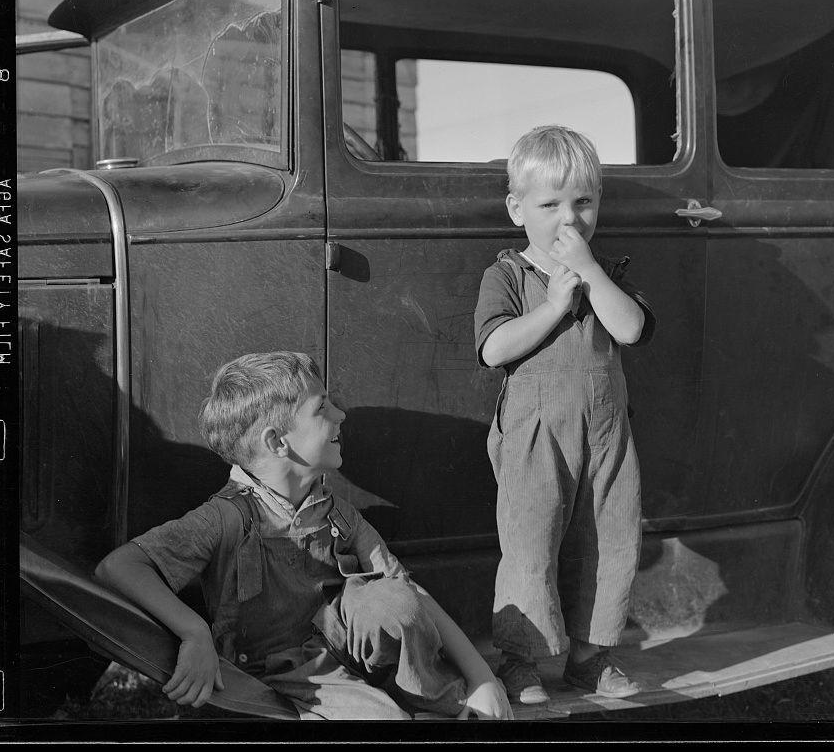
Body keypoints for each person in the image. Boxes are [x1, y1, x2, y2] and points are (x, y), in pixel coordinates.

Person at [95, 351, 513, 721]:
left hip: (335, 643)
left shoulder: (333, 511)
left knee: (394, 601)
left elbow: (405, 590)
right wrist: (194, 632)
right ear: (277, 442)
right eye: (323, 407)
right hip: (279, 672)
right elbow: (119, 567)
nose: (341, 415)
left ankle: (437, 699)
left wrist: (482, 678)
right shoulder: (224, 518)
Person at [473, 125, 656, 705]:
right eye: (550, 205)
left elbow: (629, 328)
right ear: (516, 209)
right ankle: (520, 660)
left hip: (606, 436)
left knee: (610, 540)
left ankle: (588, 657)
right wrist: (554, 302)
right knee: (530, 544)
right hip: (534, 437)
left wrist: (591, 274)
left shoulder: (608, 276)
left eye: (583, 203)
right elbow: (493, 349)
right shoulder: (507, 275)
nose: (569, 219)